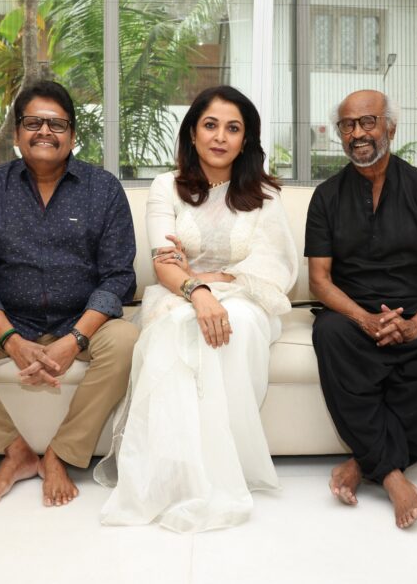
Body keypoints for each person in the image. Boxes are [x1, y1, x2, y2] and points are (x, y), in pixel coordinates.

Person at [0, 80, 138, 507]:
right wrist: (11, 341)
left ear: (72, 135)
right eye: (33, 122)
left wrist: (75, 340)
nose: (45, 132)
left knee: (128, 341)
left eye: (57, 124)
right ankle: (15, 451)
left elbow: (117, 278)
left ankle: (61, 453)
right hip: (8, 319)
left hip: (82, 321)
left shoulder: (103, 188)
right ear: (17, 133)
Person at [95, 85, 298, 533]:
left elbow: (274, 266)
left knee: (237, 323)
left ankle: (220, 471)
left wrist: (207, 277)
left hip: (247, 298)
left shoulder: (265, 195)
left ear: (246, 140)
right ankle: (173, 471)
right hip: (178, 294)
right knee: (178, 327)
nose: (220, 137)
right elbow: (164, 263)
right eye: (210, 125)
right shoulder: (165, 187)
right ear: (192, 133)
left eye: (233, 128)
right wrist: (197, 290)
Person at [305, 89, 417, 529]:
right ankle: (393, 477)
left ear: (391, 128)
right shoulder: (325, 196)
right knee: (329, 336)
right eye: (348, 125)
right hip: (350, 316)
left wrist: (416, 325)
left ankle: (363, 463)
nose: (358, 133)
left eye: (368, 122)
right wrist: (363, 318)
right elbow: (320, 280)